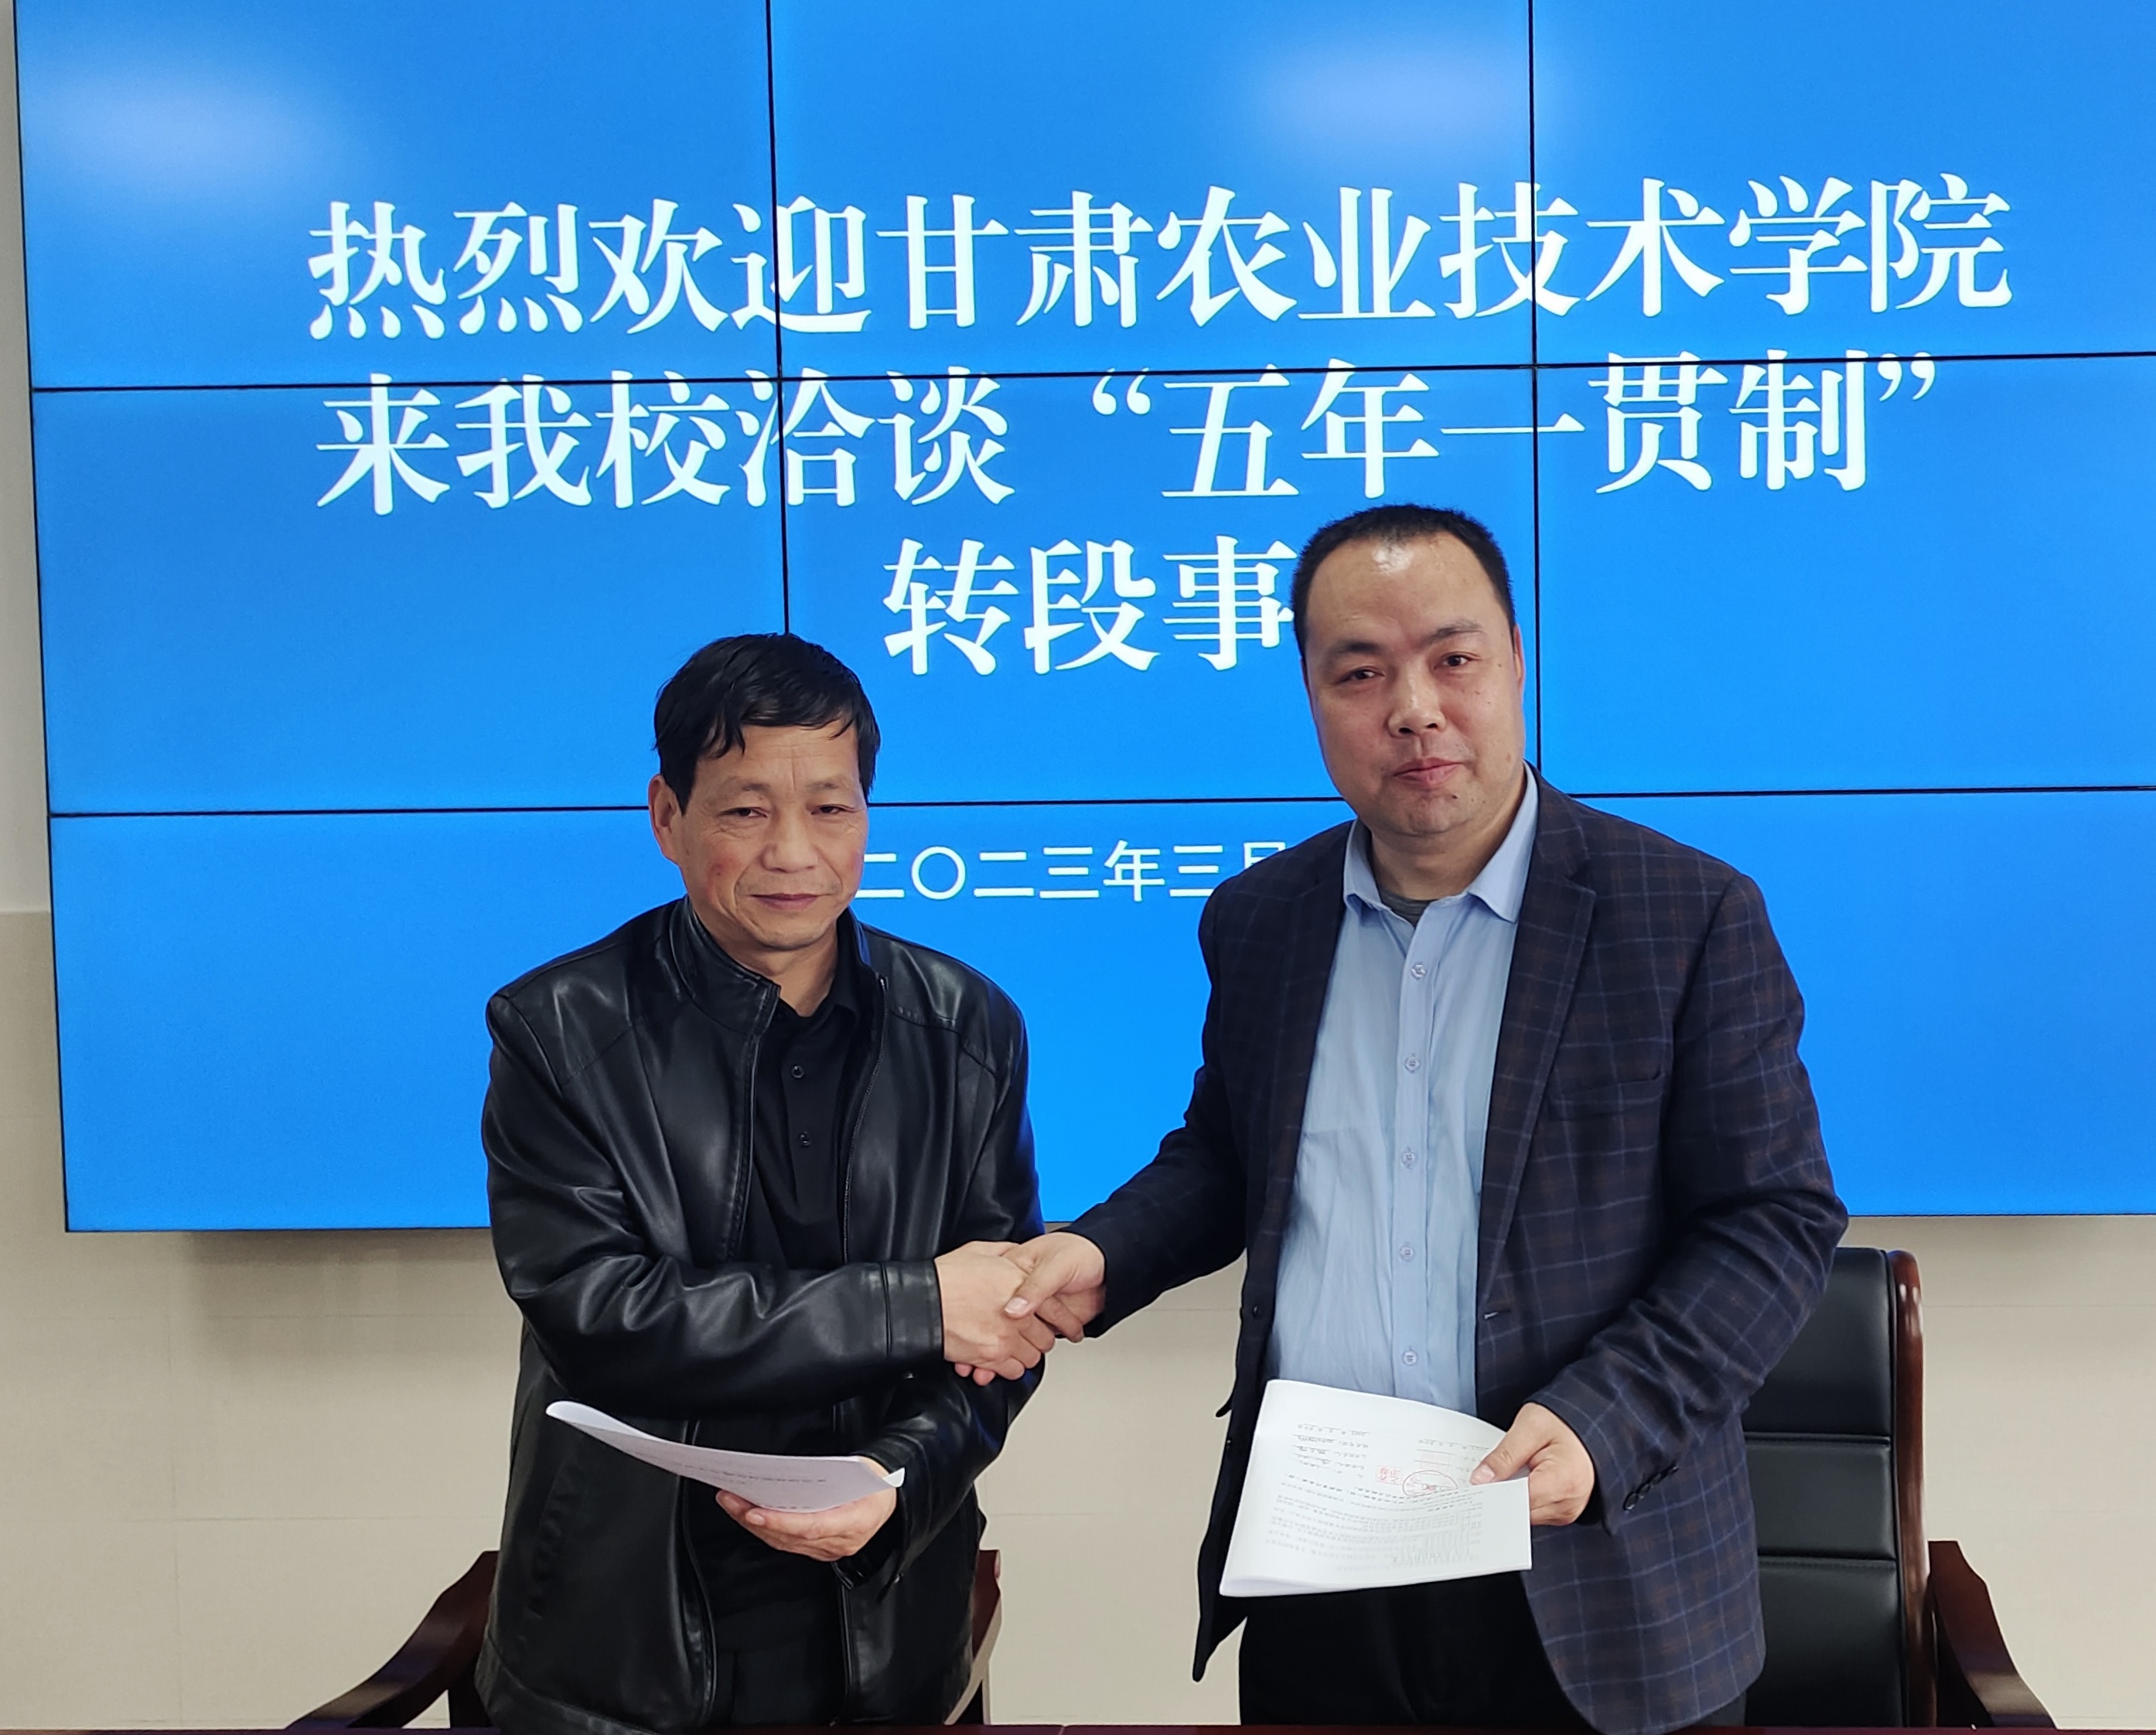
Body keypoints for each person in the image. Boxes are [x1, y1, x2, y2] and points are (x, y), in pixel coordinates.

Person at [993, 505, 1850, 1735]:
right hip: (1324, 1555)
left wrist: (1602, 1421)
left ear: (1514, 663)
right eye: (1359, 672)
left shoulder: (1684, 913)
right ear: (1310, 694)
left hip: (1589, 1560)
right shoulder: (1261, 920)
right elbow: (1230, 1156)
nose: (1412, 709)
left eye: (1452, 659)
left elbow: (1770, 1221)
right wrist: (1101, 1252)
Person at [477, 633, 1057, 1735]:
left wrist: (896, 1473)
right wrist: (920, 1303)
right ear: (667, 817)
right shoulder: (557, 1028)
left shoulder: (966, 1025)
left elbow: (1004, 1328)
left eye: (830, 809)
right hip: (626, 1625)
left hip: (883, 1611)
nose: (794, 852)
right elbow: (599, 1315)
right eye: (745, 811)